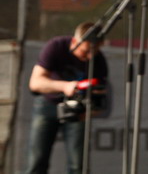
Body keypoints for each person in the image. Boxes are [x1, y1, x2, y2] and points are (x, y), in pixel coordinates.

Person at [25, 21, 109, 174]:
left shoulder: (99, 61)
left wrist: (89, 111)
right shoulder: (56, 46)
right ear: (75, 41)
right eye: (85, 51)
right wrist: (65, 86)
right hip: (47, 105)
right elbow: (35, 83)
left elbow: (102, 98)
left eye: (94, 52)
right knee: (37, 161)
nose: (89, 56)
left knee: (78, 165)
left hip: (77, 112)